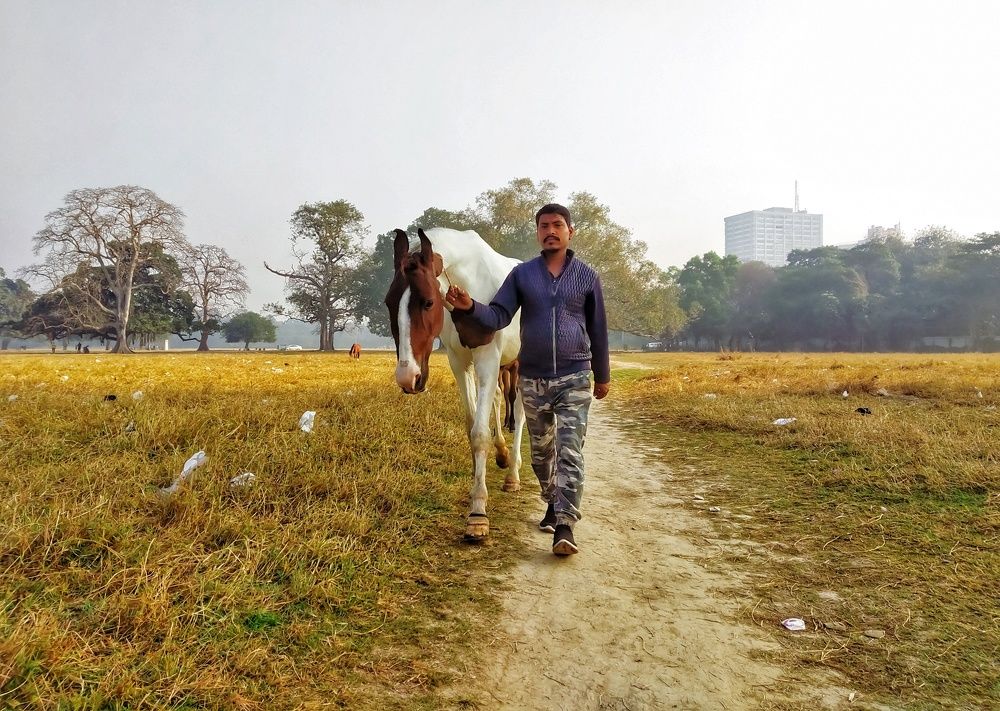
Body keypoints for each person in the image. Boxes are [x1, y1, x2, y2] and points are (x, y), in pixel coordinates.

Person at [445, 203, 610, 556]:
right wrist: (470, 306)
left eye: (557, 225)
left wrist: (603, 375)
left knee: (570, 452)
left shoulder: (586, 276)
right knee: (540, 455)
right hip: (533, 379)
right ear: (538, 233)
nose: (550, 231)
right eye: (544, 226)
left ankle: (565, 524)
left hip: (574, 375)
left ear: (570, 232)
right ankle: (552, 501)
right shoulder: (522, 275)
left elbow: (598, 328)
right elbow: (499, 314)